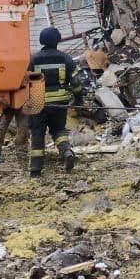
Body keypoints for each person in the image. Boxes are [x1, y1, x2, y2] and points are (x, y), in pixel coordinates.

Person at [27, 27, 83, 176]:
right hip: (60, 102)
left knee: (38, 133)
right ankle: (66, 152)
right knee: (58, 130)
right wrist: (78, 97)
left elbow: (25, 82)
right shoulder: (65, 58)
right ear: (57, 40)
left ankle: (35, 169)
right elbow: (76, 81)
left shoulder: (33, 59)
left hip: (39, 102)